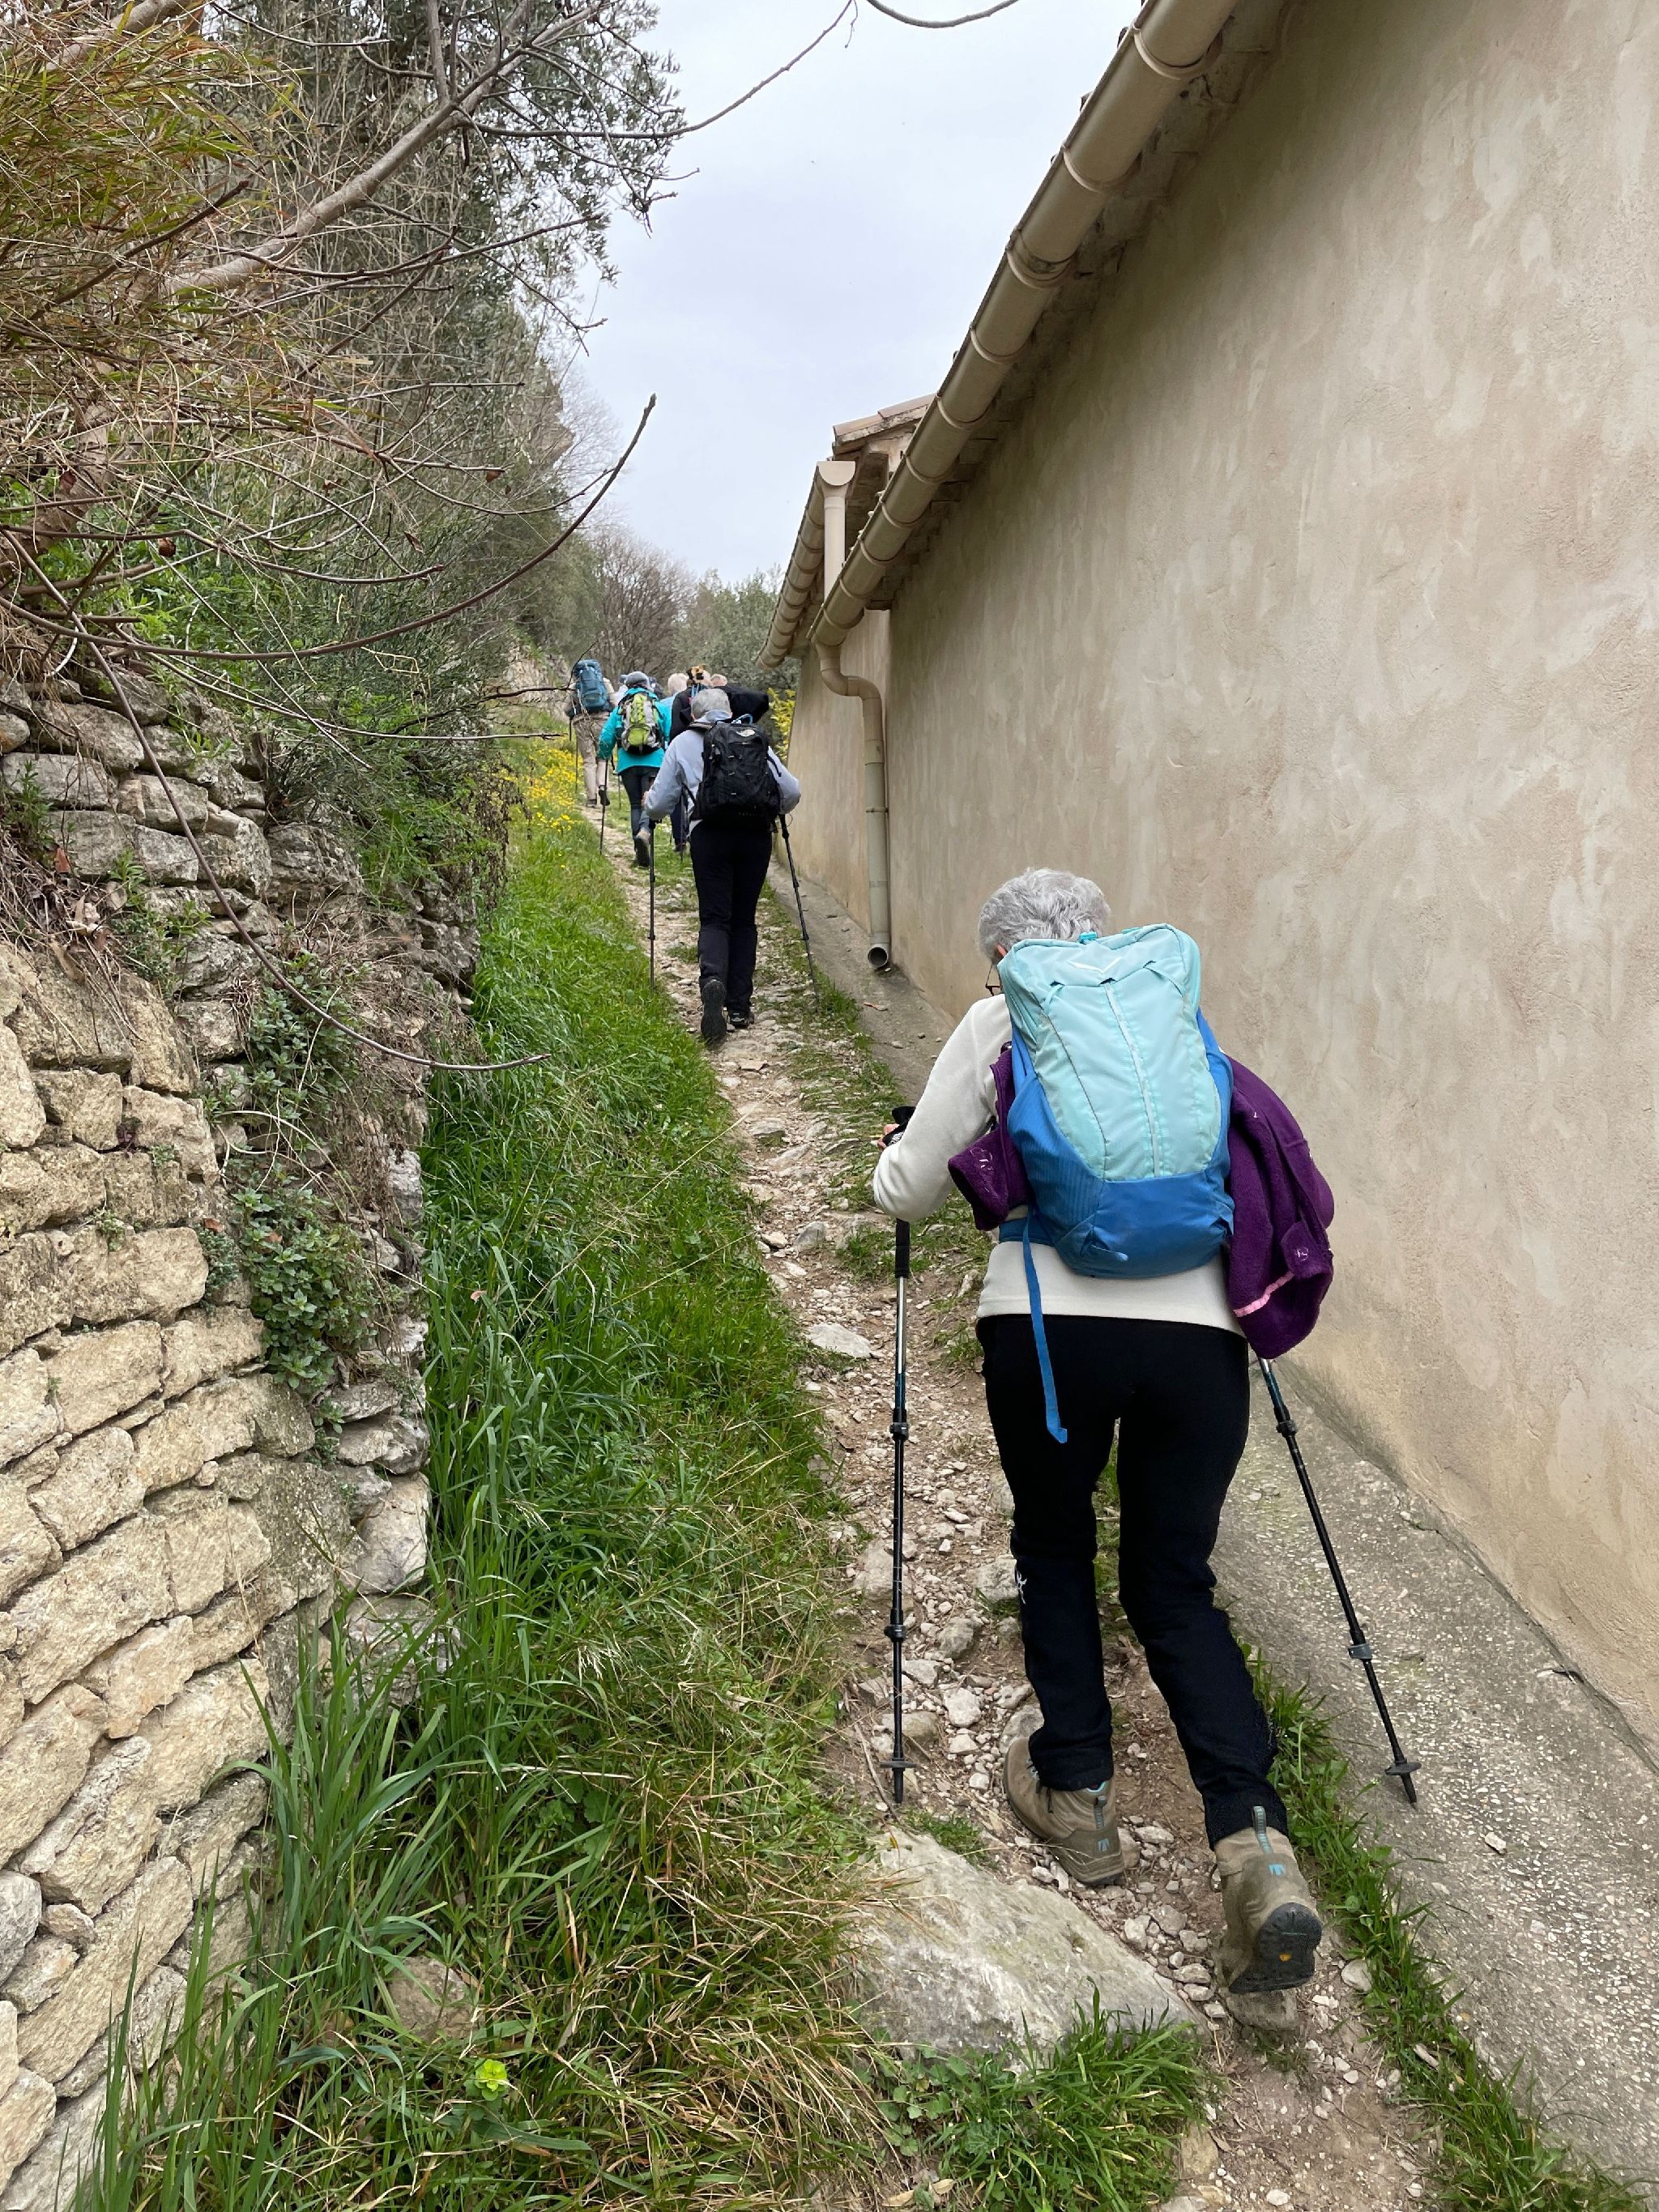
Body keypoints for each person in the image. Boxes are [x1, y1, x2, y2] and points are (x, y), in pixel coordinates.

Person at [869, 868, 1324, 2000]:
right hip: (1200, 1338)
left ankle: (1076, 1790)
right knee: (1173, 1581)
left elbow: (908, 1190)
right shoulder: (1164, 1010)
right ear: (1103, 938)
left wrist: (899, 1150)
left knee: (1056, 1541)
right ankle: (1255, 1842)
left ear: (1004, 958)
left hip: (1046, 1330)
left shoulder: (999, 1017)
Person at [643, 687, 800, 1044]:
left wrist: (648, 803)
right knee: (744, 919)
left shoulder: (682, 743)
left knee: (715, 917)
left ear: (694, 714)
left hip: (709, 835)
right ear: (729, 710)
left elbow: (661, 803)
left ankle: (712, 980)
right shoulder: (752, 738)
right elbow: (791, 792)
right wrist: (768, 808)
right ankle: (740, 1006)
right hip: (755, 835)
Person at [597, 672, 672, 866]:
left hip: (628, 764)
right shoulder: (659, 707)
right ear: (647, 685)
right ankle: (645, 832)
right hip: (654, 762)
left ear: (628, 687)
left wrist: (603, 756)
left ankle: (638, 853)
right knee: (649, 802)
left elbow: (606, 738)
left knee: (635, 806)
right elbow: (669, 735)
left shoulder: (620, 709)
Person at [564, 660, 615, 808]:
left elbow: (566, 709)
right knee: (603, 757)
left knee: (588, 760)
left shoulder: (574, 686)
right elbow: (615, 704)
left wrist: (575, 713)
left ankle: (591, 798)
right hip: (602, 722)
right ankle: (602, 785)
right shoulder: (604, 682)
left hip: (582, 722)